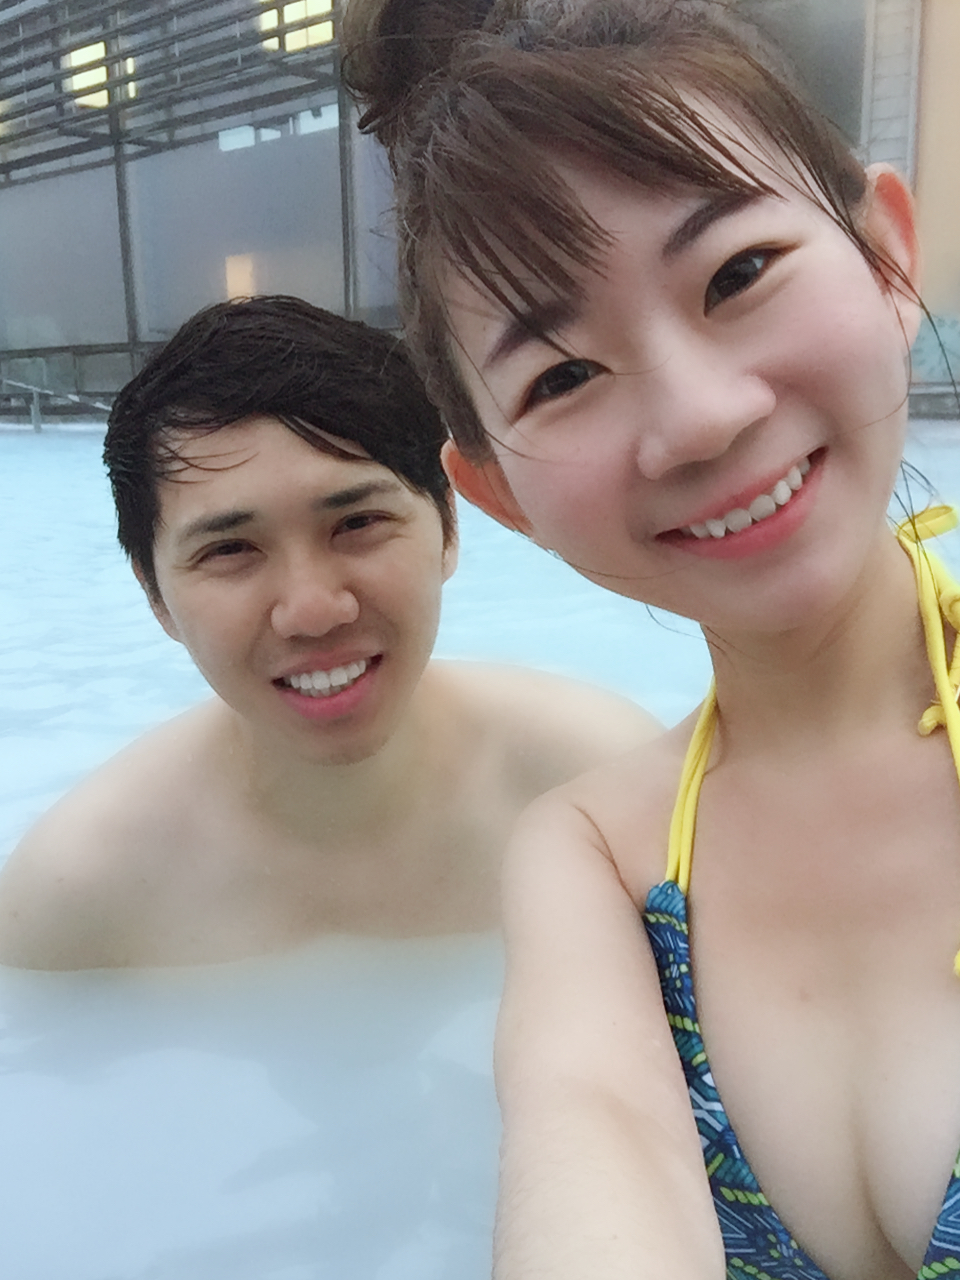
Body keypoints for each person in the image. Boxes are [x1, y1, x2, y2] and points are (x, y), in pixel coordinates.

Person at [340, 3, 960, 1278]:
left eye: (737, 273)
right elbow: (592, 1132)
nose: (698, 418)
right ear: (499, 495)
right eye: (562, 377)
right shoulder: (598, 858)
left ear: (889, 259)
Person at [0, 296, 658, 969]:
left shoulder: (604, 784)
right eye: (230, 550)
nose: (313, 611)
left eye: (357, 523)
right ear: (154, 595)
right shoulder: (71, 904)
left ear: (449, 527)